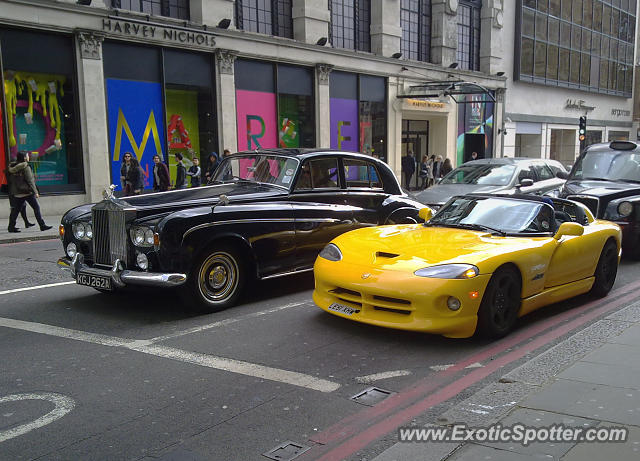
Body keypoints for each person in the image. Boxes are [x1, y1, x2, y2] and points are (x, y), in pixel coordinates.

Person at [6, 151, 52, 232]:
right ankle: (42, 225)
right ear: (24, 158)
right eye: (27, 155)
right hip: (27, 192)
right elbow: (30, 180)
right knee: (36, 207)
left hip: (17, 192)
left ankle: (11, 227)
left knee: (15, 210)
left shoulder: (13, 166)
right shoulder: (25, 166)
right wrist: (36, 192)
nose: (28, 157)